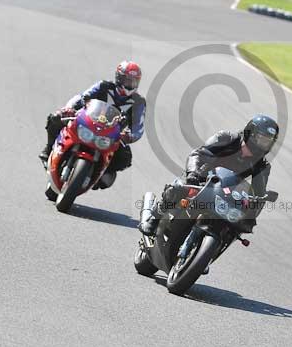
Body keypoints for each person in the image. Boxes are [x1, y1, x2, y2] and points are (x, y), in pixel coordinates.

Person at [139, 114, 278, 235]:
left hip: (226, 192)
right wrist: (193, 174)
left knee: (234, 227)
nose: (263, 145)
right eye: (261, 139)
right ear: (250, 133)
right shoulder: (227, 138)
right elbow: (198, 154)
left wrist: (251, 213)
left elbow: (258, 193)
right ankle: (154, 218)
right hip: (201, 178)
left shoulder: (262, 165)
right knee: (178, 188)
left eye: (267, 142)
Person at [39, 61, 146, 189]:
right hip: (87, 123)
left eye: (133, 82)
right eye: (127, 80)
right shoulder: (103, 86)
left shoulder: (139, 102)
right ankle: (49, 148)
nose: (130, 84)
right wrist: (69, 108)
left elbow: (139, 127)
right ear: (119, 77)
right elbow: (82, 96)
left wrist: (129, 136)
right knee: (56, 118)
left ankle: (101, 173)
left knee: (125, 157)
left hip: (111, 136)